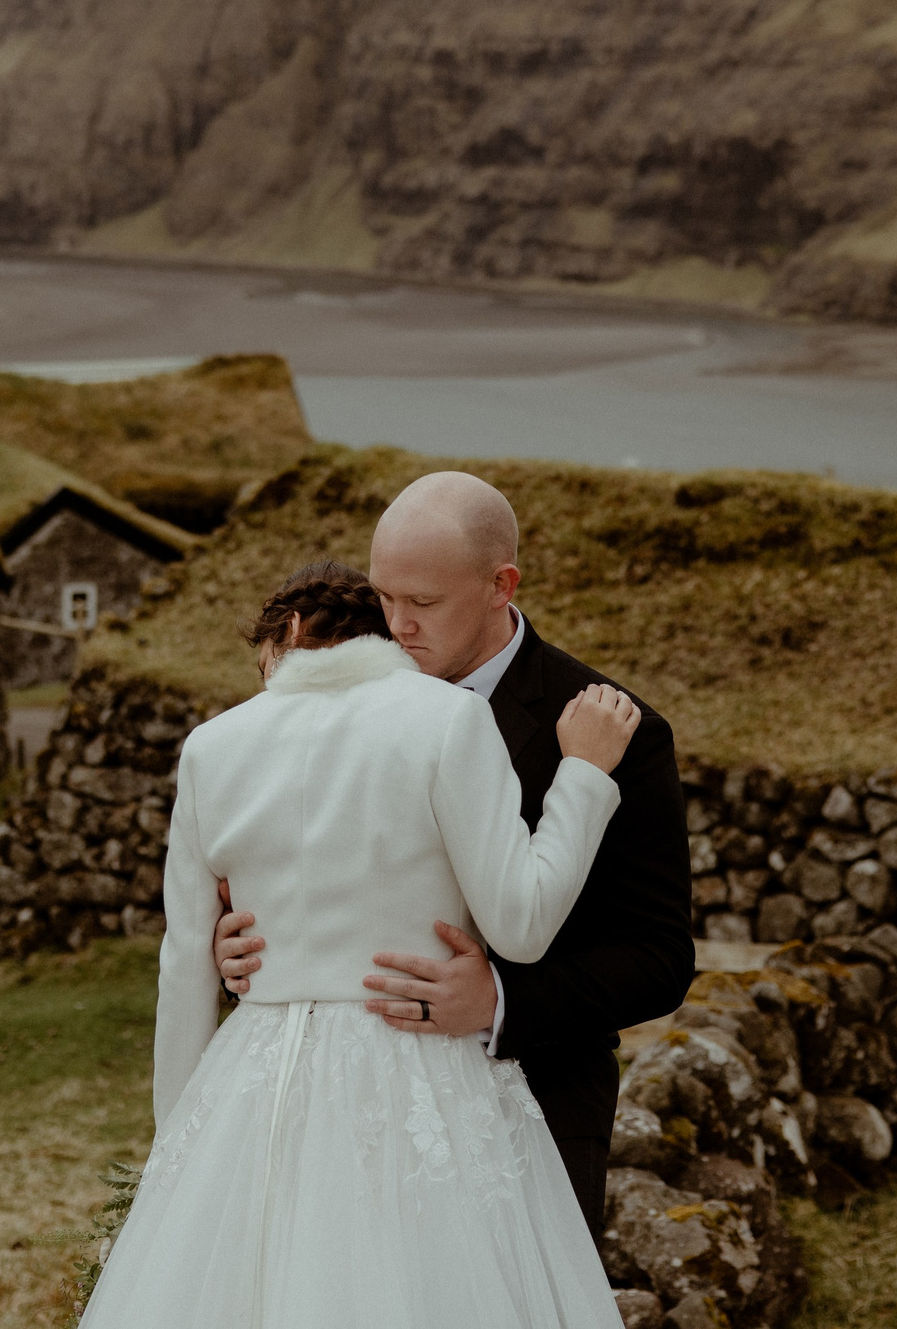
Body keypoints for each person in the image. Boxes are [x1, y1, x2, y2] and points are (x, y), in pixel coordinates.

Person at [76, 559, 641, 1327]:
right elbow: (522, 925)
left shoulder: (212, 746)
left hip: (257, 1075)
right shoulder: (448, 718)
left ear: (291, 632)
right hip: (418, 1067)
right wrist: (583, 776)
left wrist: (182, 1151)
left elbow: (183, 967)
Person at [215, 471, 696, 1229]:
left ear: (500, 584)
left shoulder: (612, 733)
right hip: (346, 1119)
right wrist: (239, 936)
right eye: (385, 597)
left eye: (424, 604)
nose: (395, 626)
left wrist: (498, 1002)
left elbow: (660, 957)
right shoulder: (339, 699)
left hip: (534, 1105)